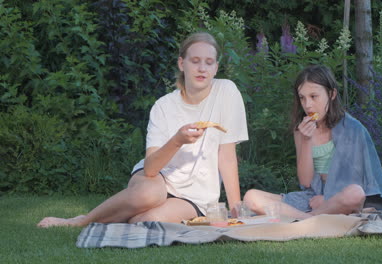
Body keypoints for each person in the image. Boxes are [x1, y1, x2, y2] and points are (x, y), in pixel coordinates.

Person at [37, 32, 248, 228]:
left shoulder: (226, 92)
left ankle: (118, 216)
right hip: (158, 178)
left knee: (148, 221)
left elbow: (227, 156)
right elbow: (150, 169)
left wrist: (236, 205)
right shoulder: (163, 107)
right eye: (195, 61)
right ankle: (80, 222)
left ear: (216, 68)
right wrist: (177, 140)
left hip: (195, 196)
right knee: (148, 195)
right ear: (181, 64)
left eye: (209, 62)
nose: (202, 68)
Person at [243, 65, 382, 219]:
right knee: (251, 197)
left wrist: (328, 198)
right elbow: (305, 182)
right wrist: (306, 140)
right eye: (302, 98)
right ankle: (310, 218)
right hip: (311, 197)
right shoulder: (301, 130)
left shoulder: (353, 129)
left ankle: (302, 218)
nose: (307, 105)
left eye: (314, 96)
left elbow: (360, 179)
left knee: (356, 193)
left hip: (341, 196)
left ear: (331, 94)